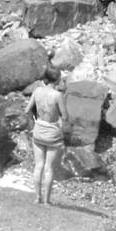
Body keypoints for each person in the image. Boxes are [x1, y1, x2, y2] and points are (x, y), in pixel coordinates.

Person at [25, 65, 68, 206]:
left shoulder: (37, 91)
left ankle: (37, 198)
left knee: (38, 166)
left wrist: (35, 120)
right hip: (53, 134)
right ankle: (47, 201)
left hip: (39, 130)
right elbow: (65, 116)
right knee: (49, 168)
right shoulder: (57, 95)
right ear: (57, 79)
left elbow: (27, 110)